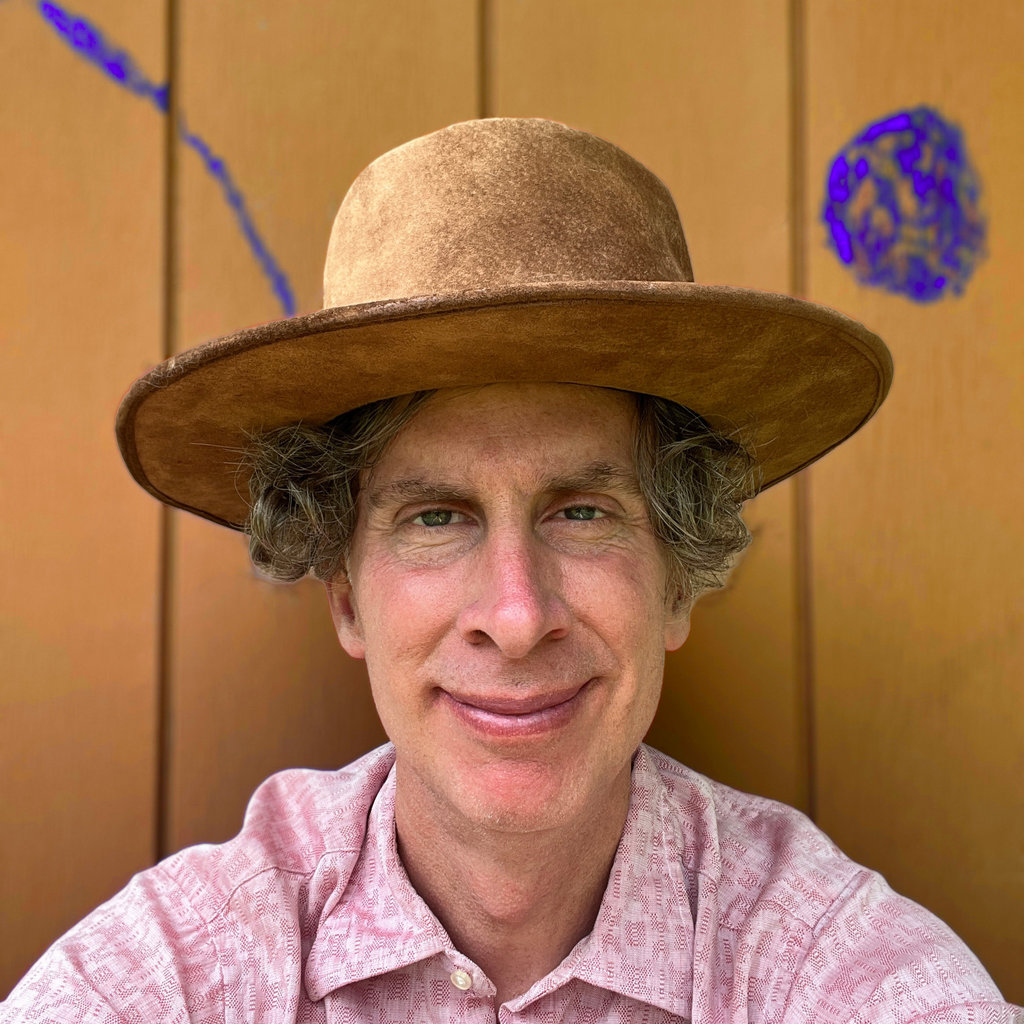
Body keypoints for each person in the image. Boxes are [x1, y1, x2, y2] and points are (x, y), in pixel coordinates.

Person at [3, 118, 1020, 1023]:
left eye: (581, 512)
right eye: (436, 517)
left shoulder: (825, 967)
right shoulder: (193, 968)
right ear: (346, 593)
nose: (518, 614)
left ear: (676, 576)